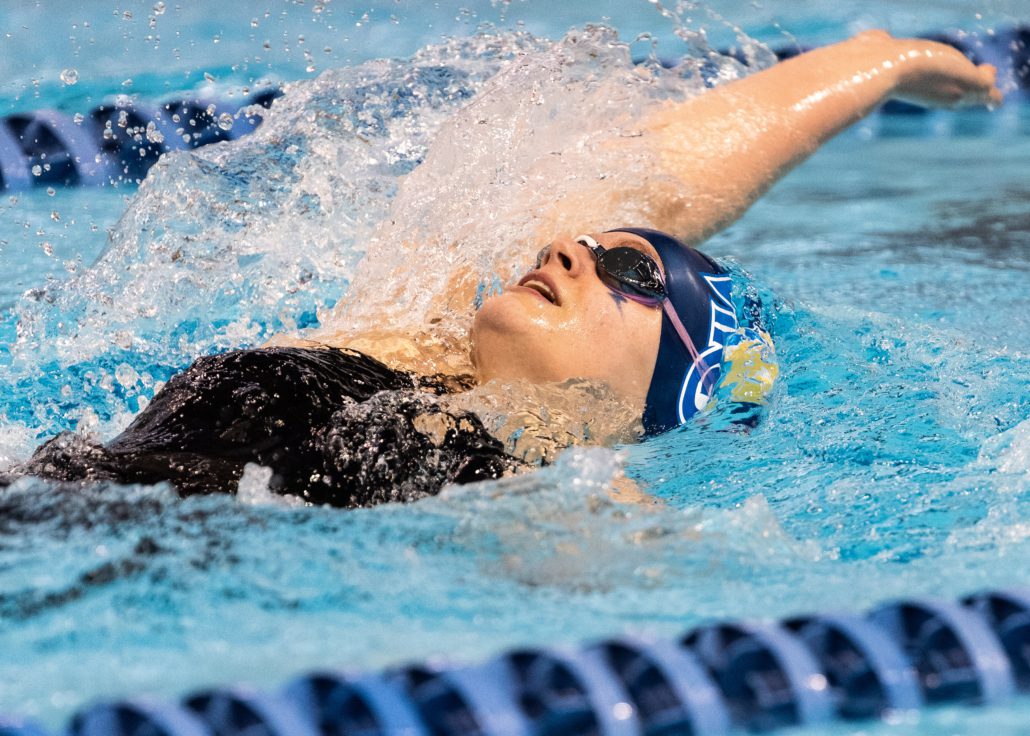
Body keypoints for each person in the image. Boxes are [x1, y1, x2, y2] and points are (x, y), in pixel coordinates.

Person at [2, 31, 1002, 507]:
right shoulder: (402, 335)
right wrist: (885, 60)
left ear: (667, 387)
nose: (568, 248)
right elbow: (674, 167)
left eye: (630, 274)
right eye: (590, 243)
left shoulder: (574, 491)